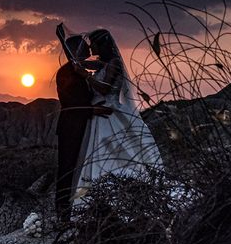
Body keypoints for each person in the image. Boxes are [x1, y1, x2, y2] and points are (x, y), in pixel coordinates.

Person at [70, 29, 164, 205]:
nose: (90, 48)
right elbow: (93, 66)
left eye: (93, 44)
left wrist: (85, 76)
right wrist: (79, 64)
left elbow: (105, 88)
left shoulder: (114, 63)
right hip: (100, 112)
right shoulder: (106, 63)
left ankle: (111, 194)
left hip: (108, 112)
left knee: (109, 152)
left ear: (102, 44)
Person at [55, 34, 111, 222]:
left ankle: (73, 207)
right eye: (84, 47)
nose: (88, 49)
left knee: (78, 167)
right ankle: (62, 211)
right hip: (70, 128)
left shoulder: (79, 69)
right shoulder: (65, 73)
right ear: (77, 49)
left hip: (82, 126)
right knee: (67, 168)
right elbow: (69, 103)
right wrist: (92, 109)